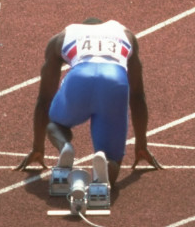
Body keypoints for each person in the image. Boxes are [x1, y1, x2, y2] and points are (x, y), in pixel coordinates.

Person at [15, 18, 161, 186]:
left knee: (54, 125)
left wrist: (38, 147)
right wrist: (141, 144)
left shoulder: (62, 37)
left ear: (83, 27)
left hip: (80, 79)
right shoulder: (126, 35)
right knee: (111, 168)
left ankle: (65, 148)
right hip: (114, 81)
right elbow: (138, 97)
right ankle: (104, 163)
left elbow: (44, 99)